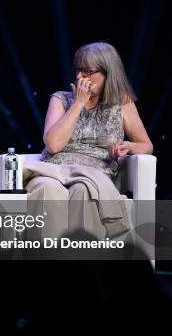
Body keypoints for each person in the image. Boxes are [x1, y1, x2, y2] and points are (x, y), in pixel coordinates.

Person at [25, 41, 153, 240]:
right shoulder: (60, 99)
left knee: (84, 191)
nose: (79, 77)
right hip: (54, 170)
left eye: (87, 72)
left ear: (107, 73)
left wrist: (128, 146)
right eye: (78, 70)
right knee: (45, 188)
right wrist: (78, 104)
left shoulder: (122, 103)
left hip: (95, 174)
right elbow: (53, 145)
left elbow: (146, 145)